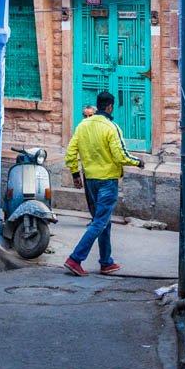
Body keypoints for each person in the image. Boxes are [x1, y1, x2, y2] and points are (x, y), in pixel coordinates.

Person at [62, 91, 143, 276]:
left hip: (90, 180)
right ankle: (75, 259)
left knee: (103, 222)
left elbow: (70, 153)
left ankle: (106, 262)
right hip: (107, 181)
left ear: (99, 106)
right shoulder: (111, 127)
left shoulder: (82, 126)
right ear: (110, 107)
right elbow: (120, 155)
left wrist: (75, 174)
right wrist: (137, 162)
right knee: (99, 222)